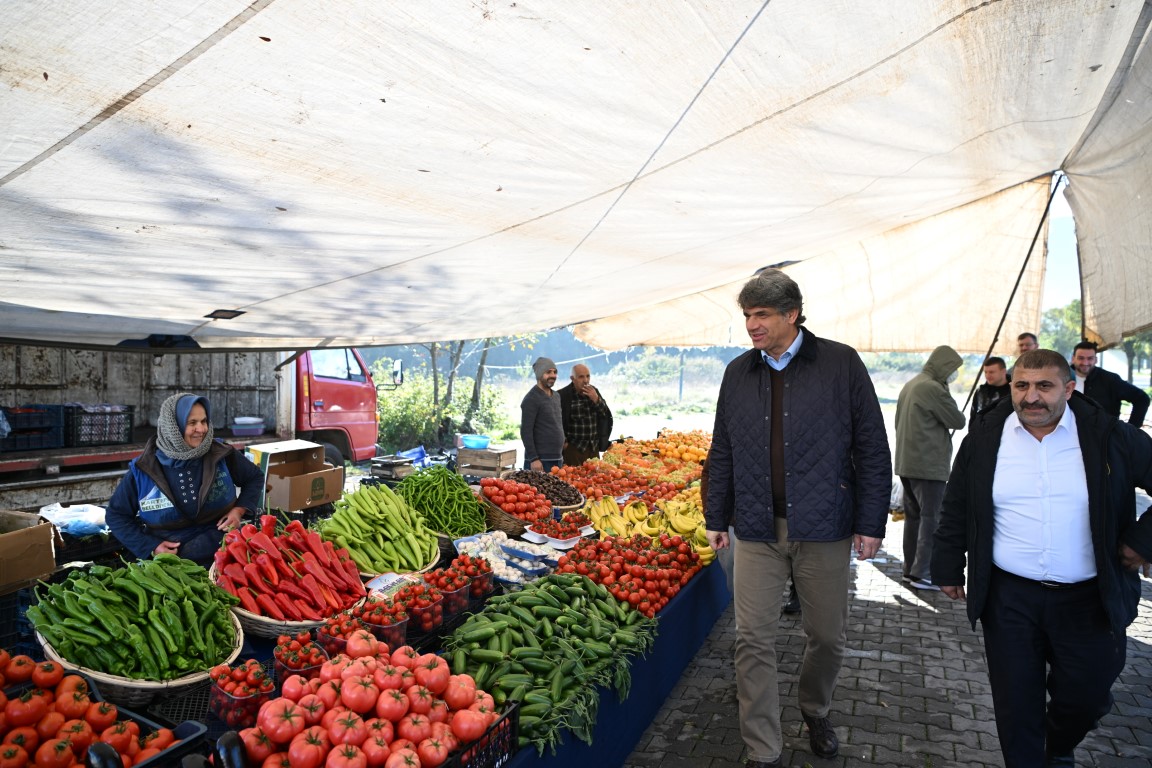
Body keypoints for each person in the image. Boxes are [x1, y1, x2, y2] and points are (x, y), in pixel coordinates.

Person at [704, 269, 892, 768]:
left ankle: (815, 707)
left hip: (825, 526)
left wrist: (871, 522)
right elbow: (721, 449)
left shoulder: (840, 364)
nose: (752, 325)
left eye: (761, 314)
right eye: (746, 315)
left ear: (792, 314)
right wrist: (715, 513)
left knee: (827, 636)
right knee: (751, 638)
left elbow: (872, 446)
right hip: (756, 528)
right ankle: (763, 748)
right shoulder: (738, 373)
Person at [932, 349, 1152, 768]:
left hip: (1090, 598)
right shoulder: (984, 435)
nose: (1031, 397)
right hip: (1010, 598)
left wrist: (1144, 541)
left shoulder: (1108, 435)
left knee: (1086, 697)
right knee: (1016, 706)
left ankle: (1059, 741)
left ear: (1069, 389)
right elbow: (957, 502)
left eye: (1045, 386)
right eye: (1022, 385)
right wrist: (946, 563)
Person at [105, 392, 264, 566]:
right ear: (174, 426)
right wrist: (151, 546)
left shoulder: (220, 453)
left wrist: (239, 510)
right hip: (168, 565)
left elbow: (254, 477)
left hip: (224, 553)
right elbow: (117, 515)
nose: (202, 429)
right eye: (192, 423)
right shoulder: (144, 467)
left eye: (204, 421)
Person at [893, 345, 966, 591]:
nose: (953, 374)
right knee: (931, 519)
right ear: (944, 366)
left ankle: (909, 570)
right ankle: (922, 573)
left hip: (907, 463)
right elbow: (958, 420)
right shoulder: (933, 388)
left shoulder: (912, 384)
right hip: (928, 465)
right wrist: (946, 392)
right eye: (953, 369)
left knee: (914, 519)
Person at [1070, 340, 1149, 427]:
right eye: (1081, 358)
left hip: (1103, 437)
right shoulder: (1062, 378)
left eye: (1090, 358)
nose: (1085, 363)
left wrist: (1131, 430)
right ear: (1073, 359)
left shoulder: (1110, 380)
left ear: (1096, 360)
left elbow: (1142, 399)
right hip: (1067, 434)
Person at [558, 363, 613, 467]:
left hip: (593, 448)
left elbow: (605, 414)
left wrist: (596, 399)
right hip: (574, 449)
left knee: (595, 480)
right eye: (581, 377)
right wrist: (564, 443)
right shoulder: (563, 395)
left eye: (588, 376)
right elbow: (557, 422)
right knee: (573, 480)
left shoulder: (594, 391)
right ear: (572, 378)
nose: (586, 380)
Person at [519, 356, 564, 472]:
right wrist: (534, 458)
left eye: (555, 372)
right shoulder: (531, 399)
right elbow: (525, 431)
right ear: (539, 374)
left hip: (557, 458)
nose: (553, 375)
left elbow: (555, 423)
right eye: (548, 372)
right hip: (539, 462)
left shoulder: (556, 396)